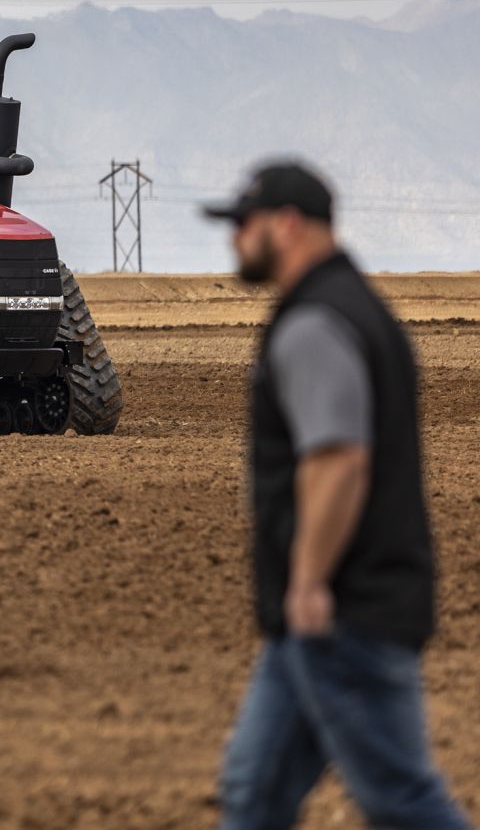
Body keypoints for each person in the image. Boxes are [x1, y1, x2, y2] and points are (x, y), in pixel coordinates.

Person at [204, 162, 469, 830]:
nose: (234, 240)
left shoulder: (315, 323)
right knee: (252, 794)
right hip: (325, 617)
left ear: (286, 226)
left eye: (244, 225)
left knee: (400, 799)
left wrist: (310, 580)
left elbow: (338, 459)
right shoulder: (357, 308)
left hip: (344, 610)